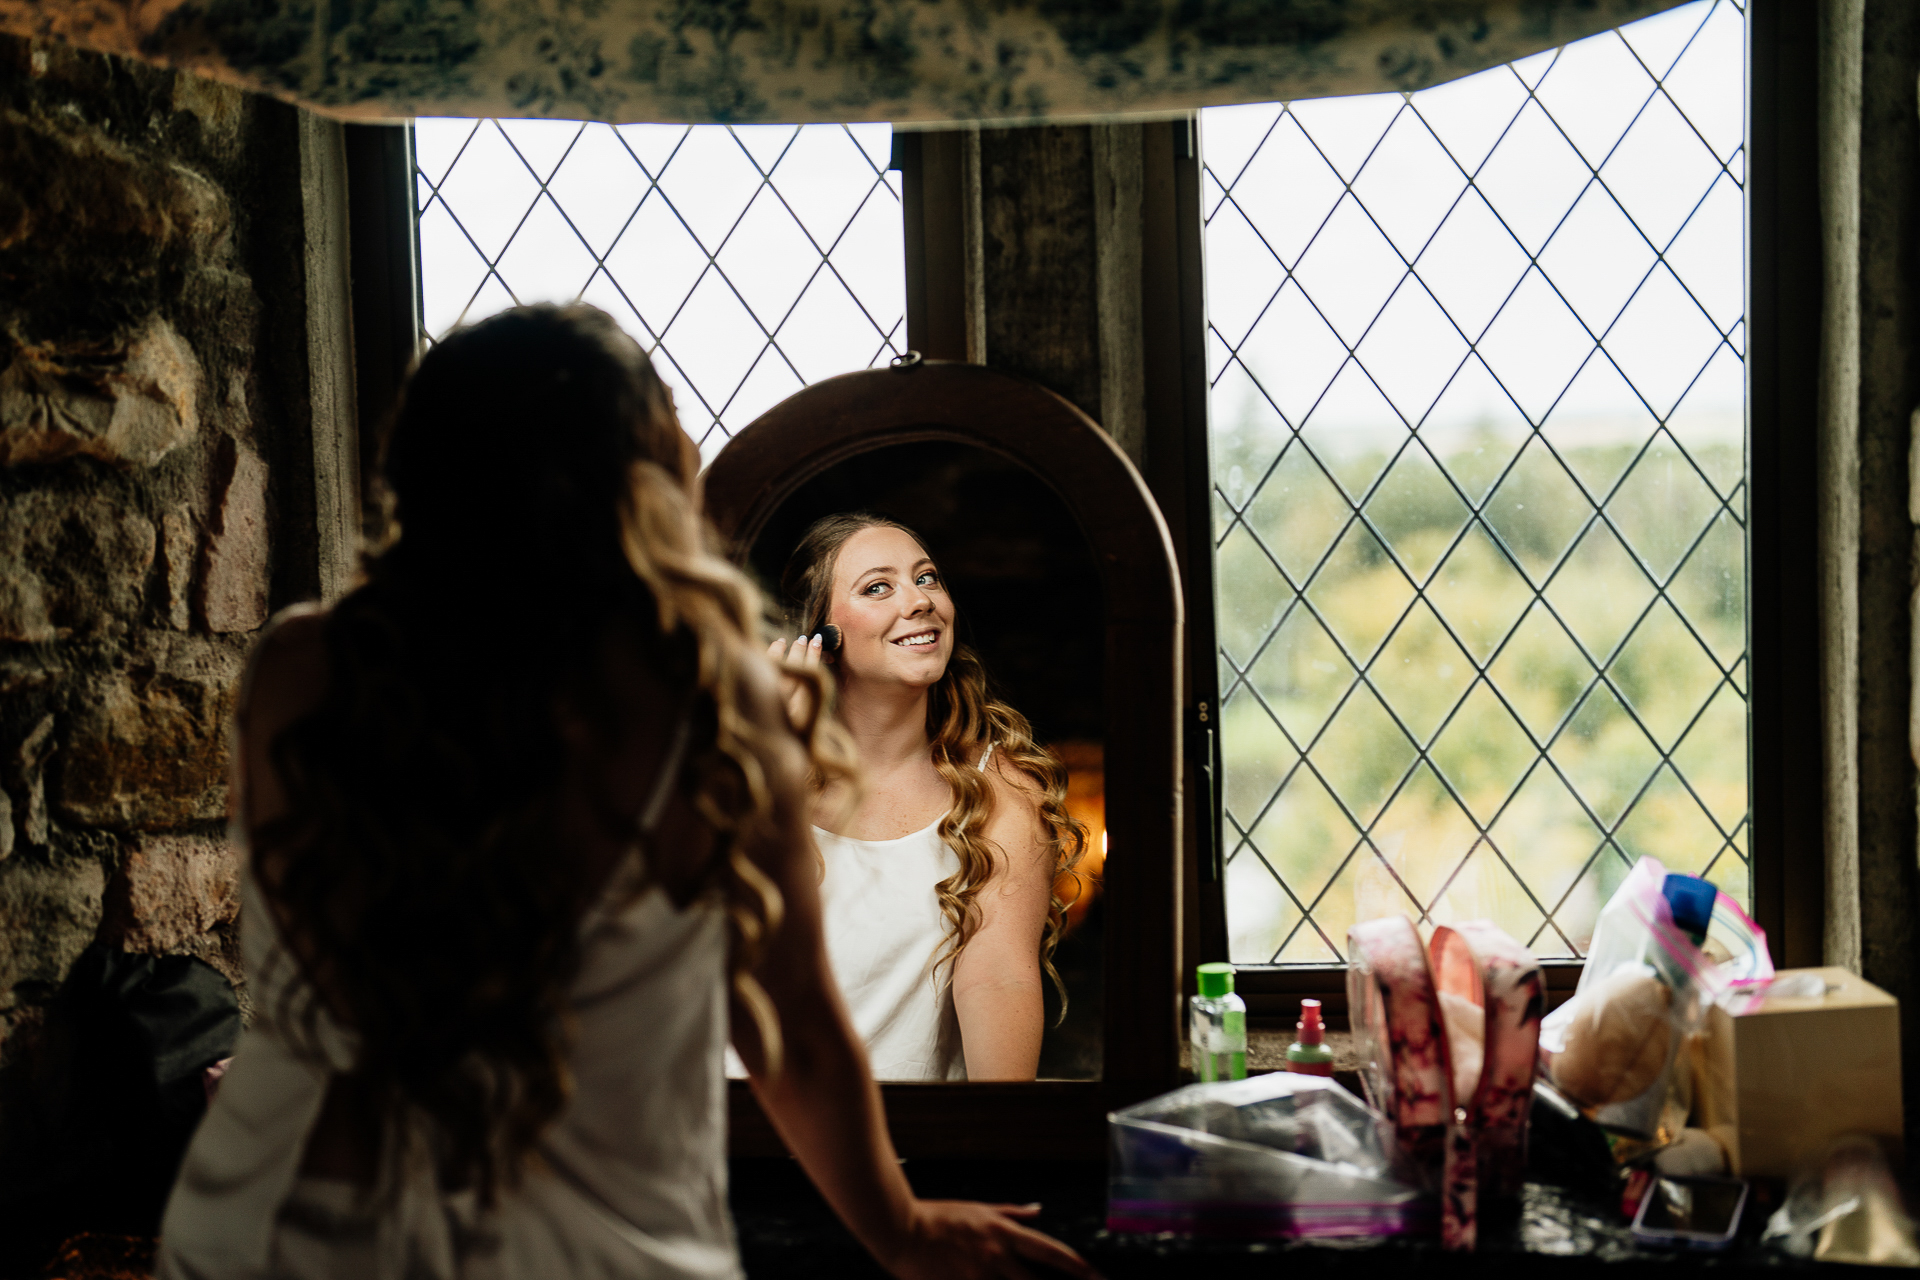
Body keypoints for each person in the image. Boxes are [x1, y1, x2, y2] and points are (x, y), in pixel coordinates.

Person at [156, 305, 1094, 1280]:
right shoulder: (702, 703)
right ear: (634, 482)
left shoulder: (301, 665)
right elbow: (791, 1027)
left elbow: (329, 972)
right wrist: (901, 1229)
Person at [772, 514, 1085, 1082]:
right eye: (878, 587)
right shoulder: (747, 773)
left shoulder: (999, 791)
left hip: (914, 1144)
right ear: (815, 636)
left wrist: (992, 1153)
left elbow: (998, 979)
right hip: (736, 1137)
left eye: (928, 578)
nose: (919, 601)